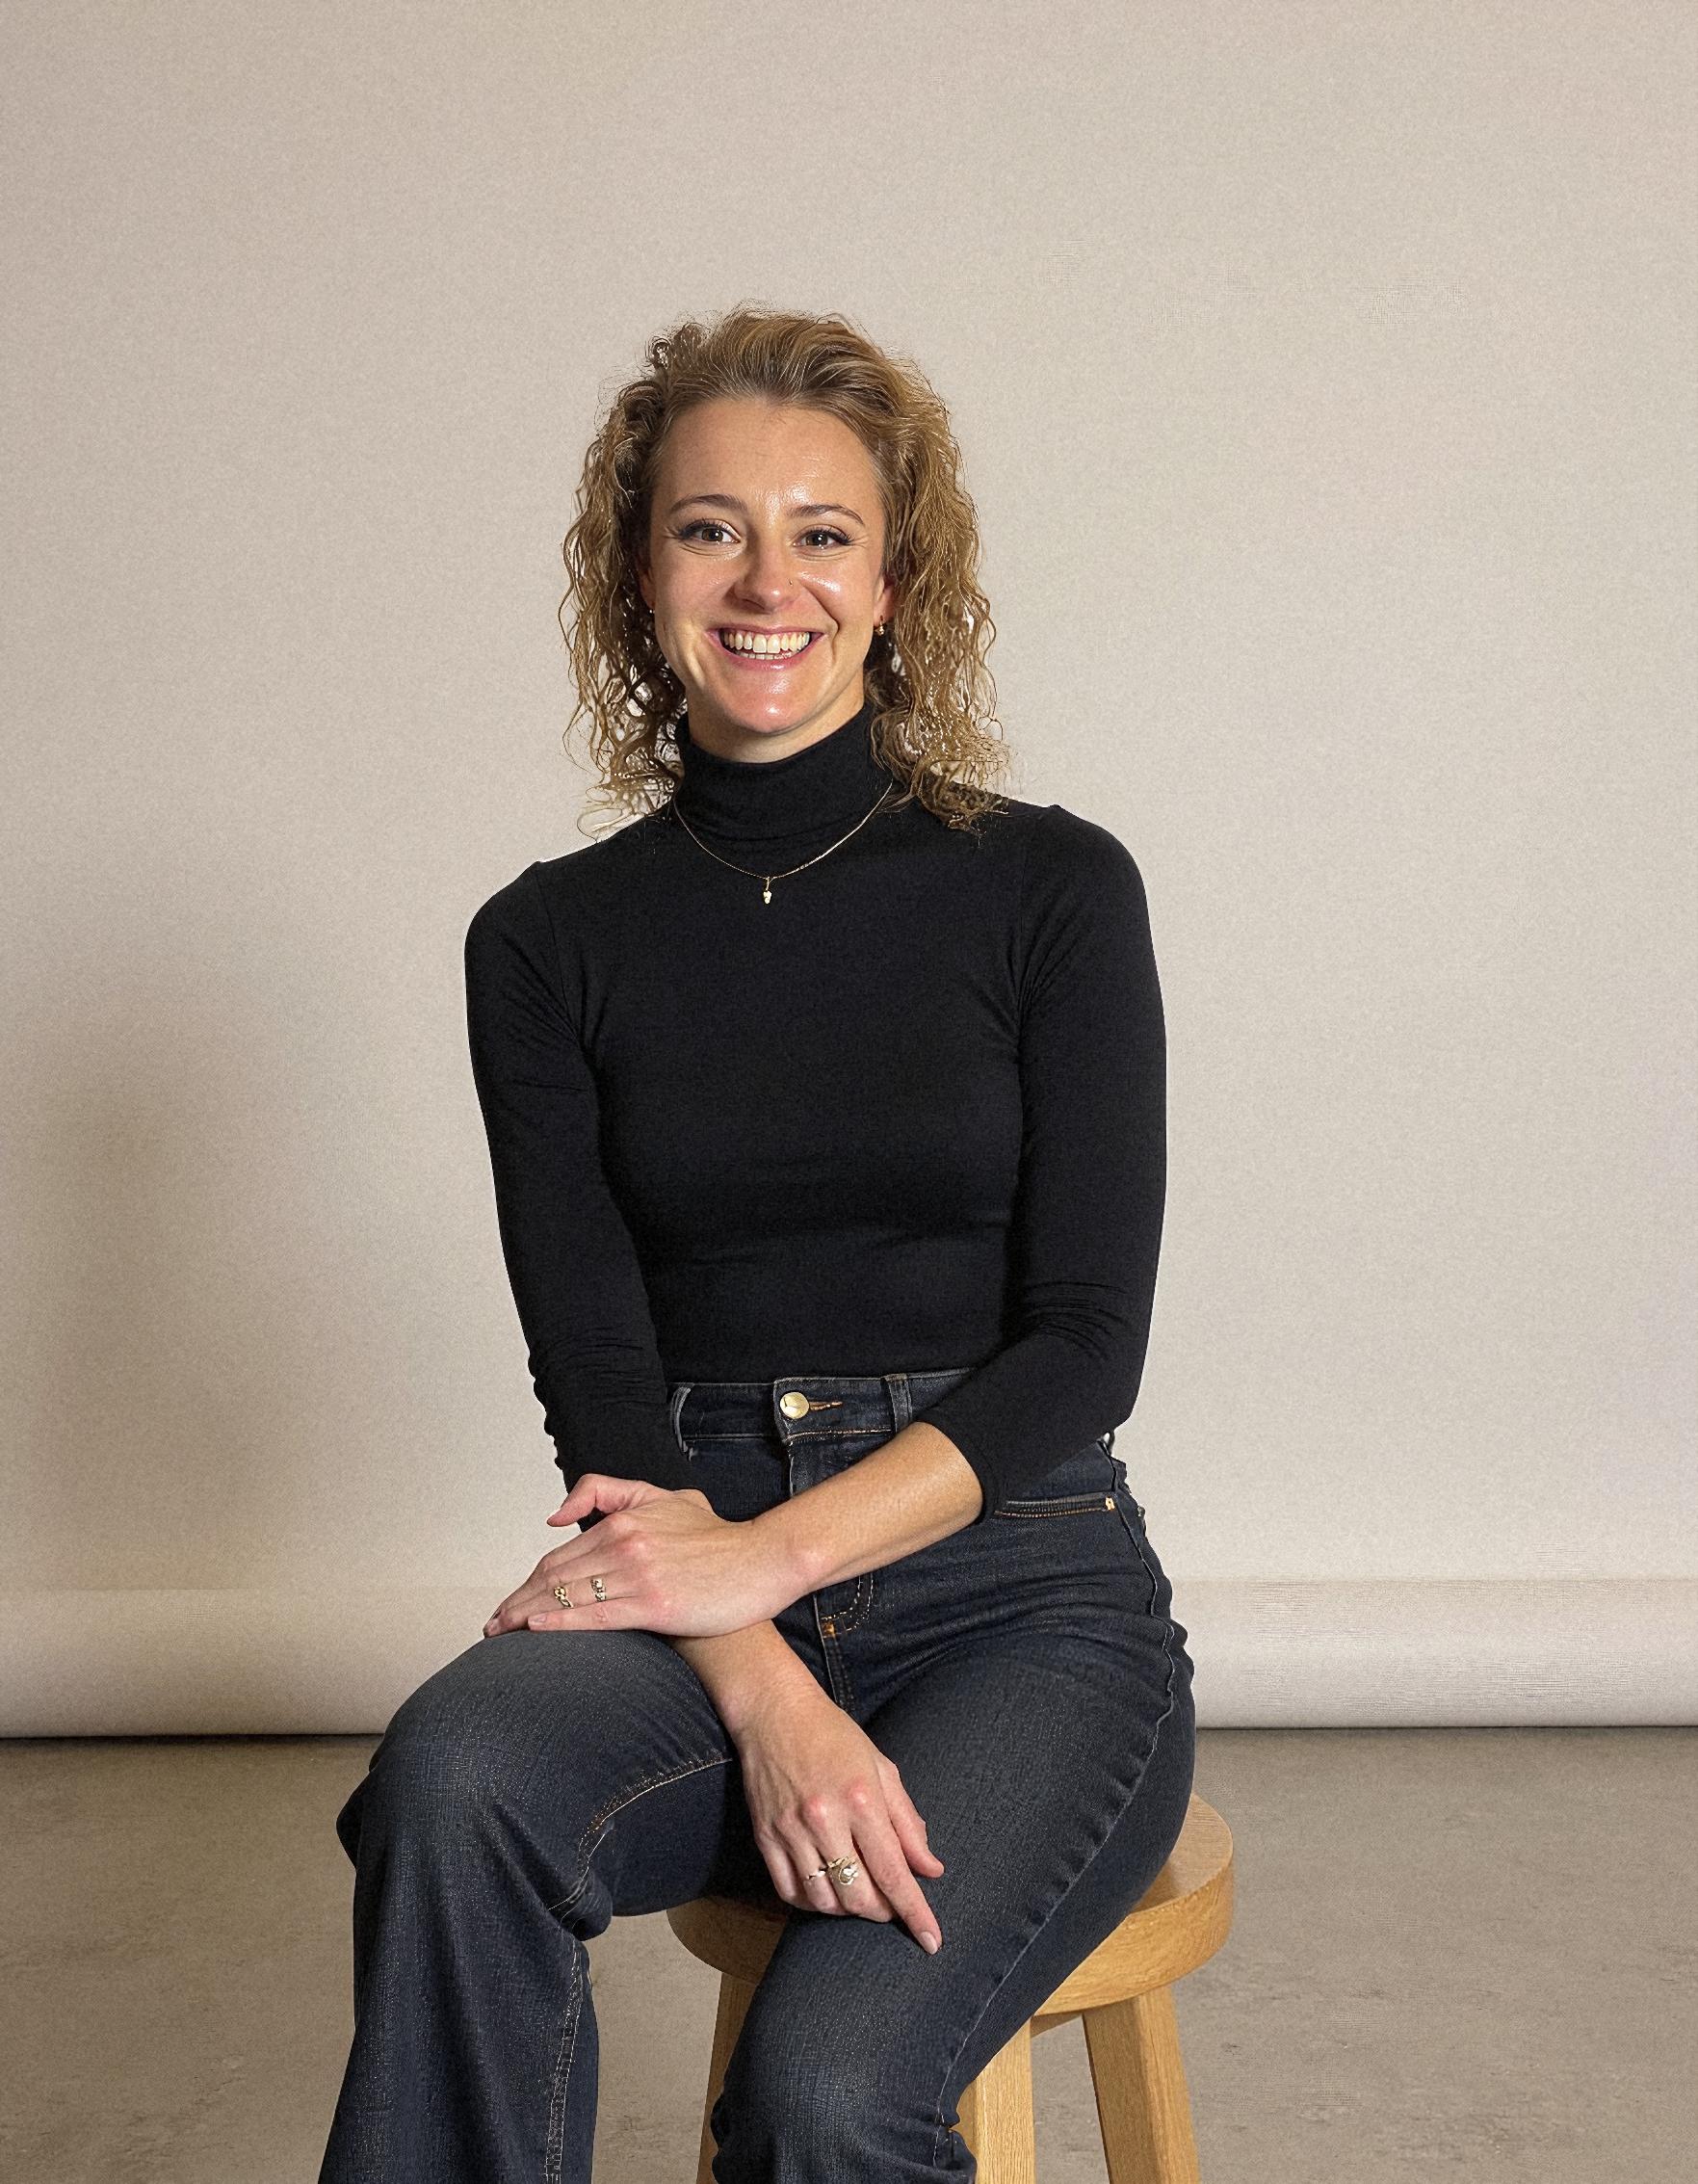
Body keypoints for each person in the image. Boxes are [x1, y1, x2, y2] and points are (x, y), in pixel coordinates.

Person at [318, 304, 1196, 2183]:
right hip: (687, 1552)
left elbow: (1084, 1344)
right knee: (453, 1785)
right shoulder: (544, 945)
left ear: (893, 585)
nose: (766, 582)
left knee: (828, 2094)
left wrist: (764, 1560)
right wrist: (760, 1667)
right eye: (711, 528)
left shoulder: (1051, 889)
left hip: (1016, 1593)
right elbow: (599, 1374)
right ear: (642, 579)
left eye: (821, 533)